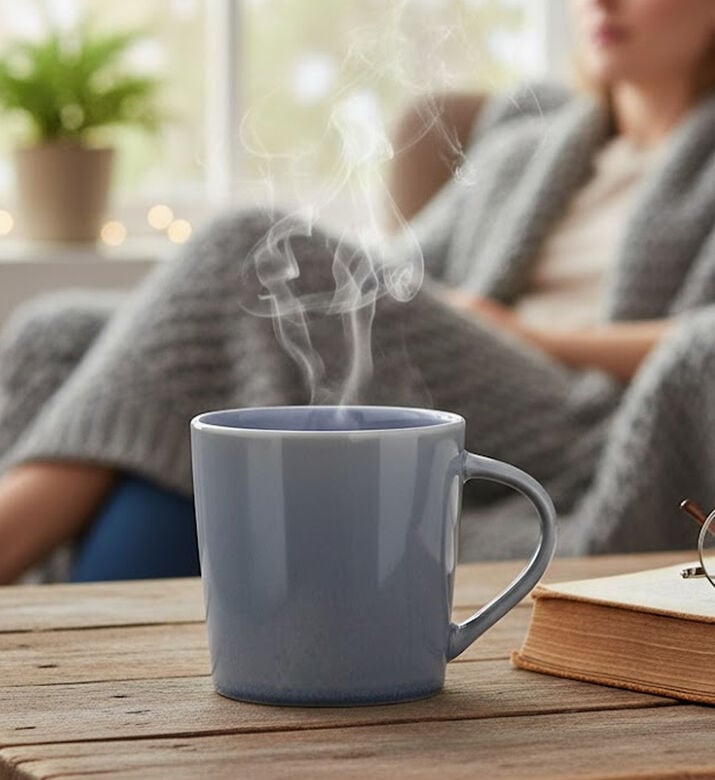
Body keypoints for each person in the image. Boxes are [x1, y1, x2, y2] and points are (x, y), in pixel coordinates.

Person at [2, 0, 715, 583]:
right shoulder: (528, 147)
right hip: (459, 372)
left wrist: (528, 335)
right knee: (60, 332)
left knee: (246, 246)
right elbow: (400, 276)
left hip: (585, 417)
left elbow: (701, 343)